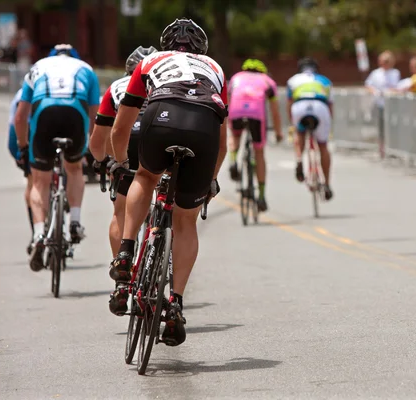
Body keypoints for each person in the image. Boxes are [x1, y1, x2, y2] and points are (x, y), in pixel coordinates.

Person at [108, 18, 228, 347]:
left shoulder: (151, 61)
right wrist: (211, 180)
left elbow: (120, 129)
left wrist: (120, 164)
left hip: (161, 114)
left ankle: (125, 252)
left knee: (145, 176)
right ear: (201, 49)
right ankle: (174, 304)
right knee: (185, 219)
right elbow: (224, 144)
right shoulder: (215, 67)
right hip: (204, 124)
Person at [14, 44, 100, 272]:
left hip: (45, 113)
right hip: (75, 114)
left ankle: (40, 232)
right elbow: (95, 117)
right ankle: (75, 222)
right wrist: (90, 150)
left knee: (40, 180)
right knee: (74, 169)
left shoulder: (37, 67)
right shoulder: (86, 69)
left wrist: (23, 148)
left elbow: (20, 116)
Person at [89, 45, 158, 256]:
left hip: (129, 139)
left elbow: (98, 137)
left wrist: (102, 161)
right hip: (159, 133)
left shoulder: (117, 86)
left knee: (121, 210)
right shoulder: (166, 80)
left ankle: (122, 272)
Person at [227, 58, 283, 212]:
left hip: (236, 111)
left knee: (236, 137)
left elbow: (228, 100)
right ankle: (262, 196)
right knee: (259, 151)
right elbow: (275, 111)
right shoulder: (268, 81)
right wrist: (278, 133)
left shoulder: (235, 78)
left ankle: (233, 161)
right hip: (256, 115)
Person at [286, 57, 334, 200]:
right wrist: (328, 124)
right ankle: (327, 183)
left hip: (300, 107)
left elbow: (289, 103)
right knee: (323, 146)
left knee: (299, 134)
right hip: (320, 107)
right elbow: (330, 106)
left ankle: (299, 159)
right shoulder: (325, 80)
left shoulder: (293, 80)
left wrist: (292, 123)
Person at [8, 87, 35, 251]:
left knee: (33, 182)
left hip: (26, 128)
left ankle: (36, 232)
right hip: (27, 129)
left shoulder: (25, 90)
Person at [364, 51, 400, 154]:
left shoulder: (395, 72)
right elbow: (368, 84)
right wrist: (375, 92)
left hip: (392, 104)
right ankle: (381, 148)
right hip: (379, 103)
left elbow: (395, 86)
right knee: (381, 127)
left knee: (392, 126)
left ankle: (393, 147)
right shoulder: (376, 73)